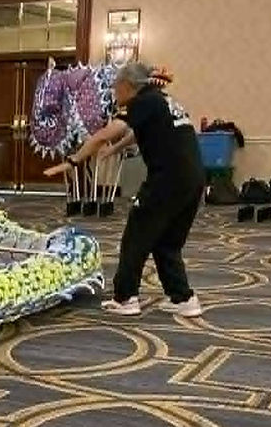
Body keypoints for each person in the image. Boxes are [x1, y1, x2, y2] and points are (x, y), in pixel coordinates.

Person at [44, 62, 204, 317]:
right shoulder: (161, 100)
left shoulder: (141, 102)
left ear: (127, 86)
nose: (113, 93)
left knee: (136, 235)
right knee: (167, 241)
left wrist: (73, 161)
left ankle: (125, 297)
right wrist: (115, 150)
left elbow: (103, 135)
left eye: (115, 87)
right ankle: (183, 298)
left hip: (167, 180)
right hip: (193, 179)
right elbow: (138, 132)